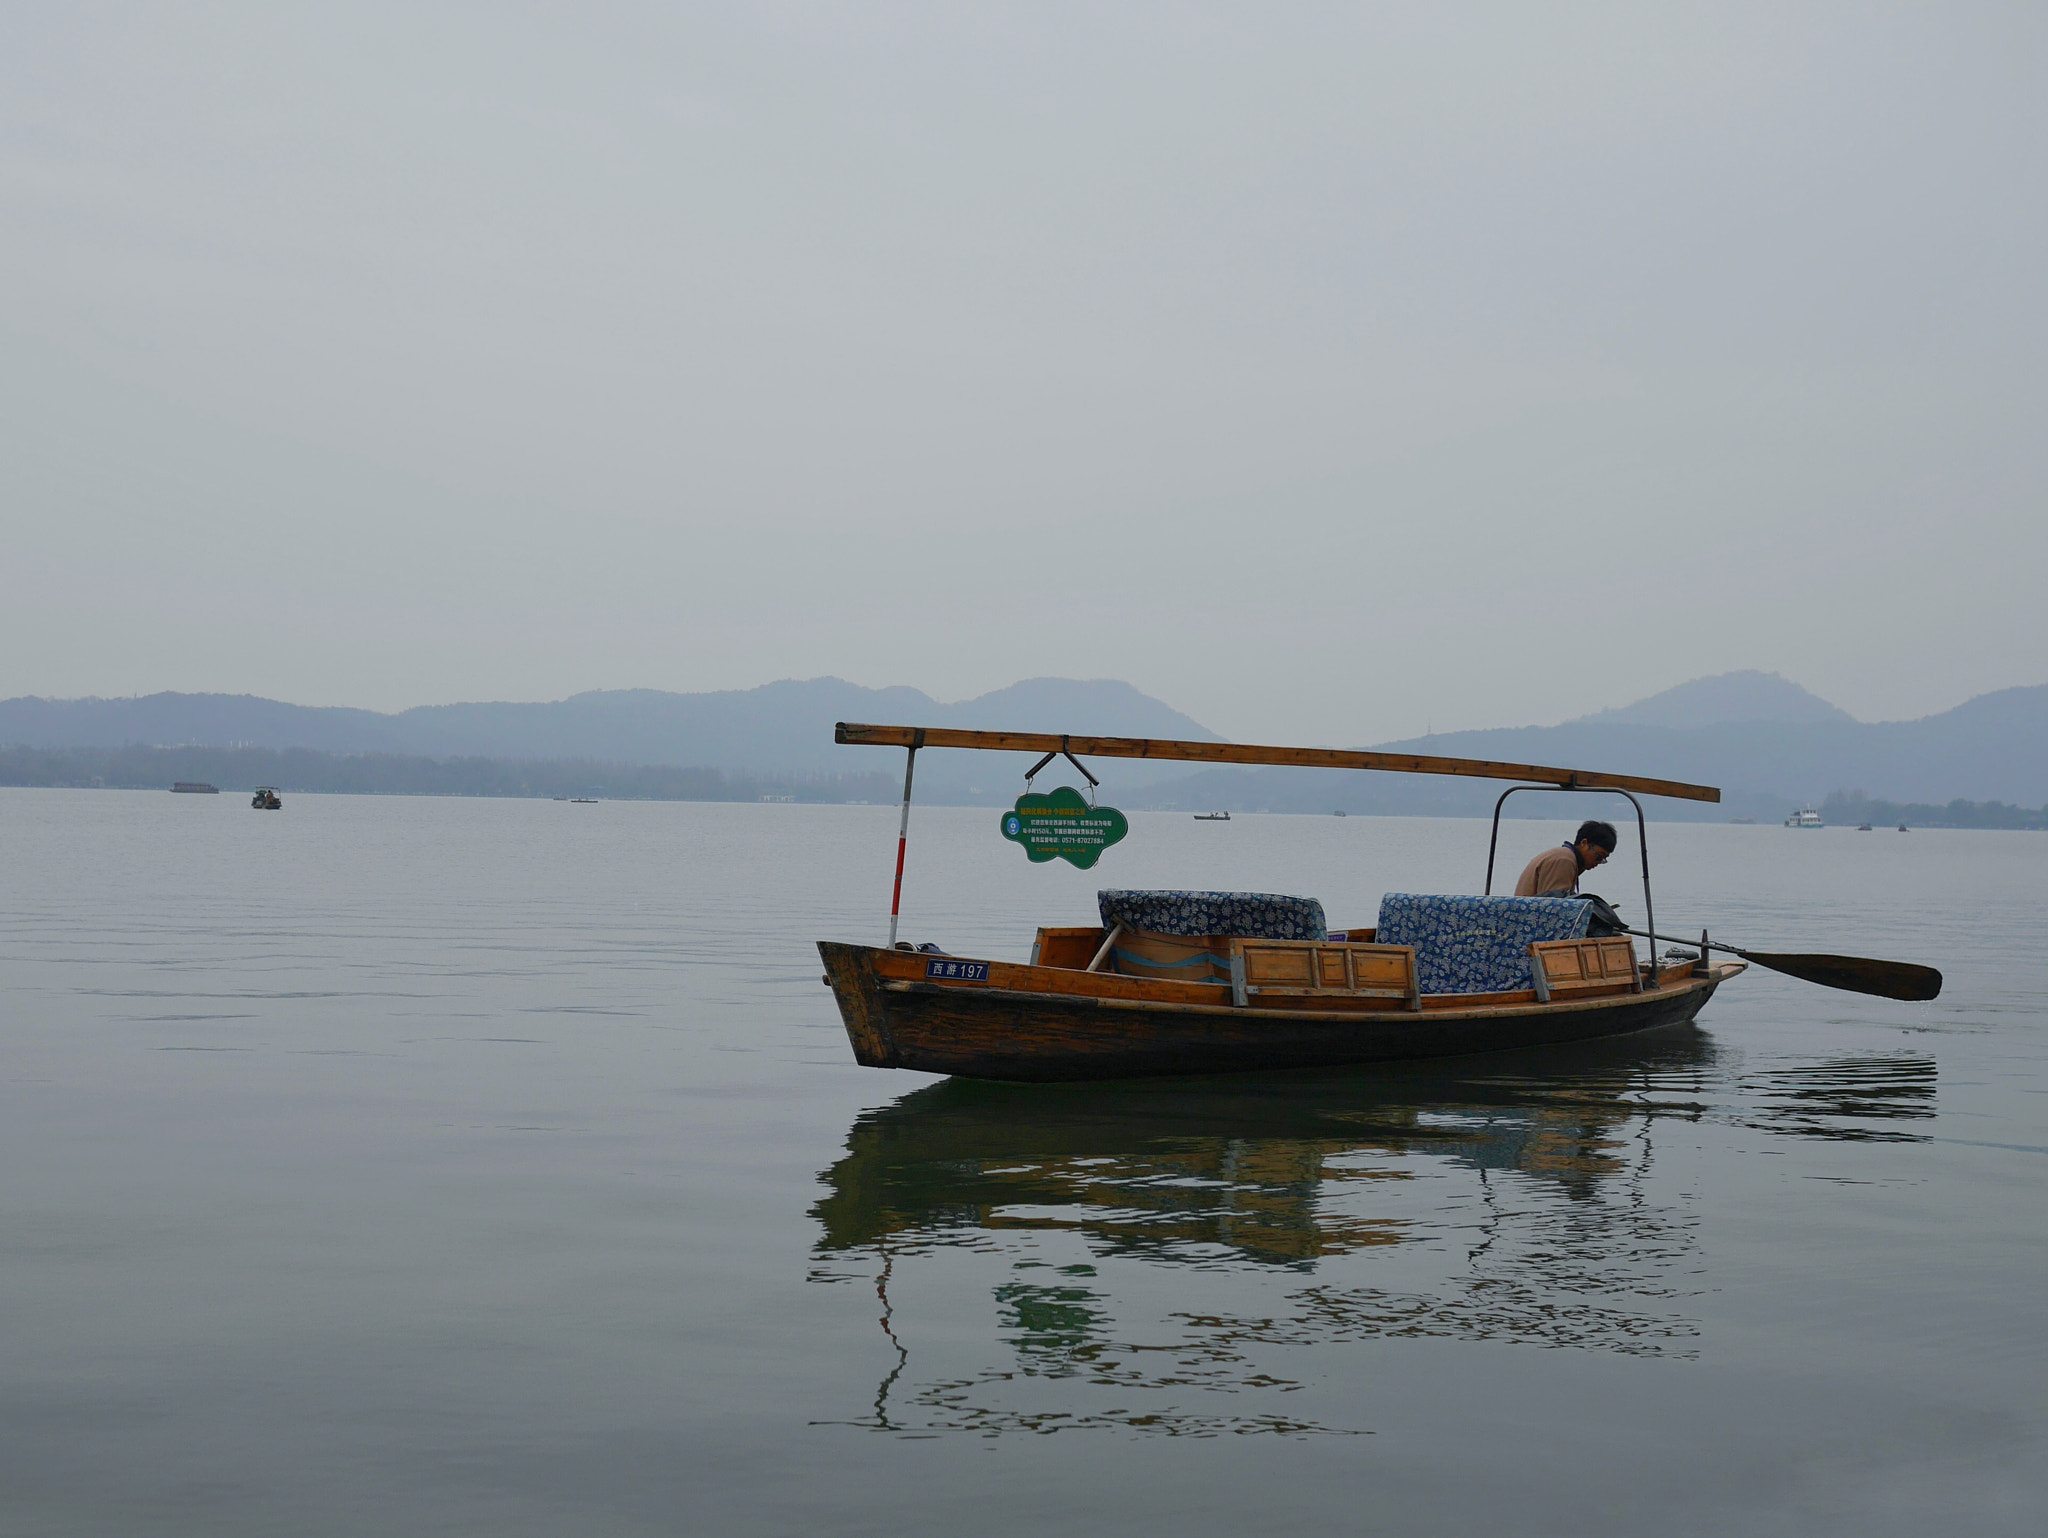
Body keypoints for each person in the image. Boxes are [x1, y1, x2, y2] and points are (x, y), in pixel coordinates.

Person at [1513, 819, 1617, 897]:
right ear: (1584, 843)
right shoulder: (1564, 860)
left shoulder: (1565, 856)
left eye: (1602, 860)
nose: (1598, 862)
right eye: (1599, 856)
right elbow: (1555, 906)